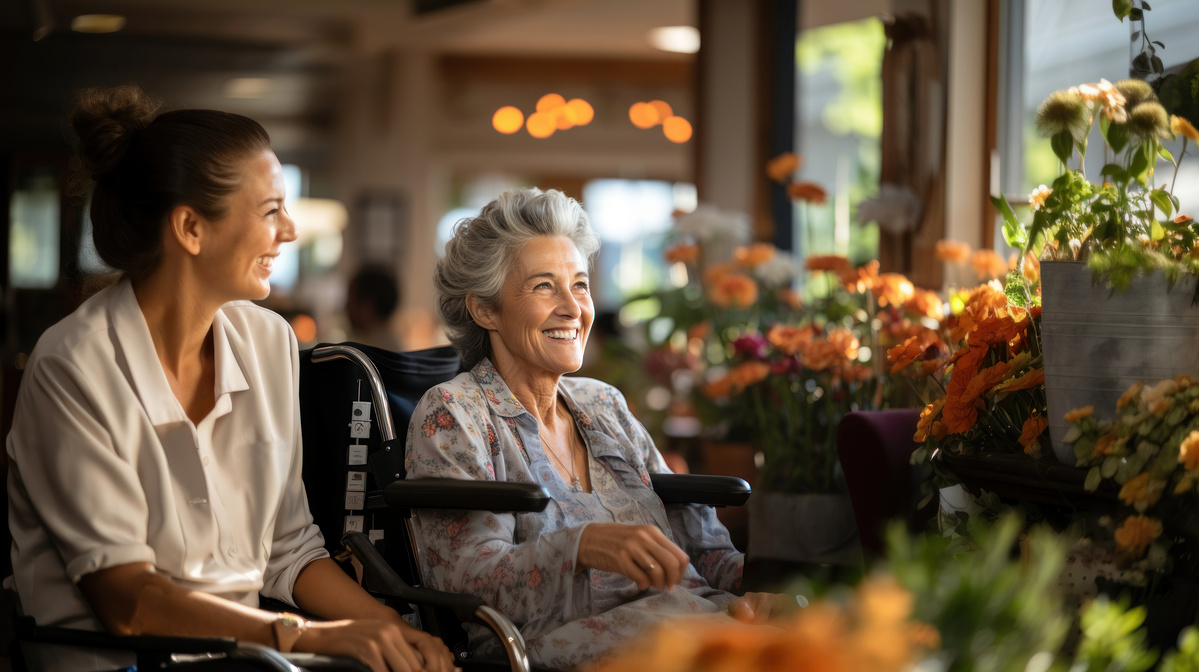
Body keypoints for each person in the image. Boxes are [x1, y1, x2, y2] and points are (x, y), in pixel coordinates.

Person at [5, 85, 454, 672]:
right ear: (191, 228)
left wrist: (392, 631)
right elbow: (128, 602)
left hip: (248, 660)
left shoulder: (269, 343)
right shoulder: (73, 366)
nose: (289, 231)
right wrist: (304, 639)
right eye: (271, 210)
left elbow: (288, 549)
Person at [405, 188, 795, 670]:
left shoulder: (603, 403)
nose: (573, 308)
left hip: (694, 619)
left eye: (581, 284)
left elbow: (704, 552)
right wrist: (582, 546)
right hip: (558, 643)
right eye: (544, 286)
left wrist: (759, 591)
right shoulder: (454, 412)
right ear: (486, 310)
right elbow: (467, 584)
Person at [345, 265, 403, 351]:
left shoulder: (369, 352)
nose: (346, 307)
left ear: (368, 307)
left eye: (350, 300)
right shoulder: (387, 343)